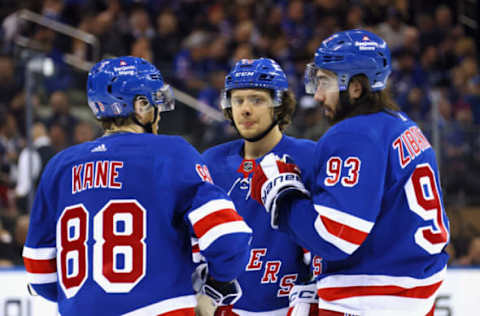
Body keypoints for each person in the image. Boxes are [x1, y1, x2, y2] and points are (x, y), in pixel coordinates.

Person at [22, 56, 252, 316]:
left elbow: (40, 275)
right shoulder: (172, 152)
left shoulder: (59, 167)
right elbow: (228, 237)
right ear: (141, 106)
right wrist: (215, 285)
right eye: (155, 101)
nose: (159, 112)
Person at [251, 30, 450, 315]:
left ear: (356, 87)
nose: (318, 95)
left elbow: (336, 236)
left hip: (368, 299)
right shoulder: (403, 125)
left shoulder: (353, 134)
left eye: (324, 83)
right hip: (416, 295)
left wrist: (283, 198)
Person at [201, 58, 319, 315]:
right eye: (238, 100)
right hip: (224, 306)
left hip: (290, 306)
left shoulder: (310, 157)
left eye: (257, 99)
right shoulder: (210, 162)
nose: (245, 109)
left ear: (279, 105)